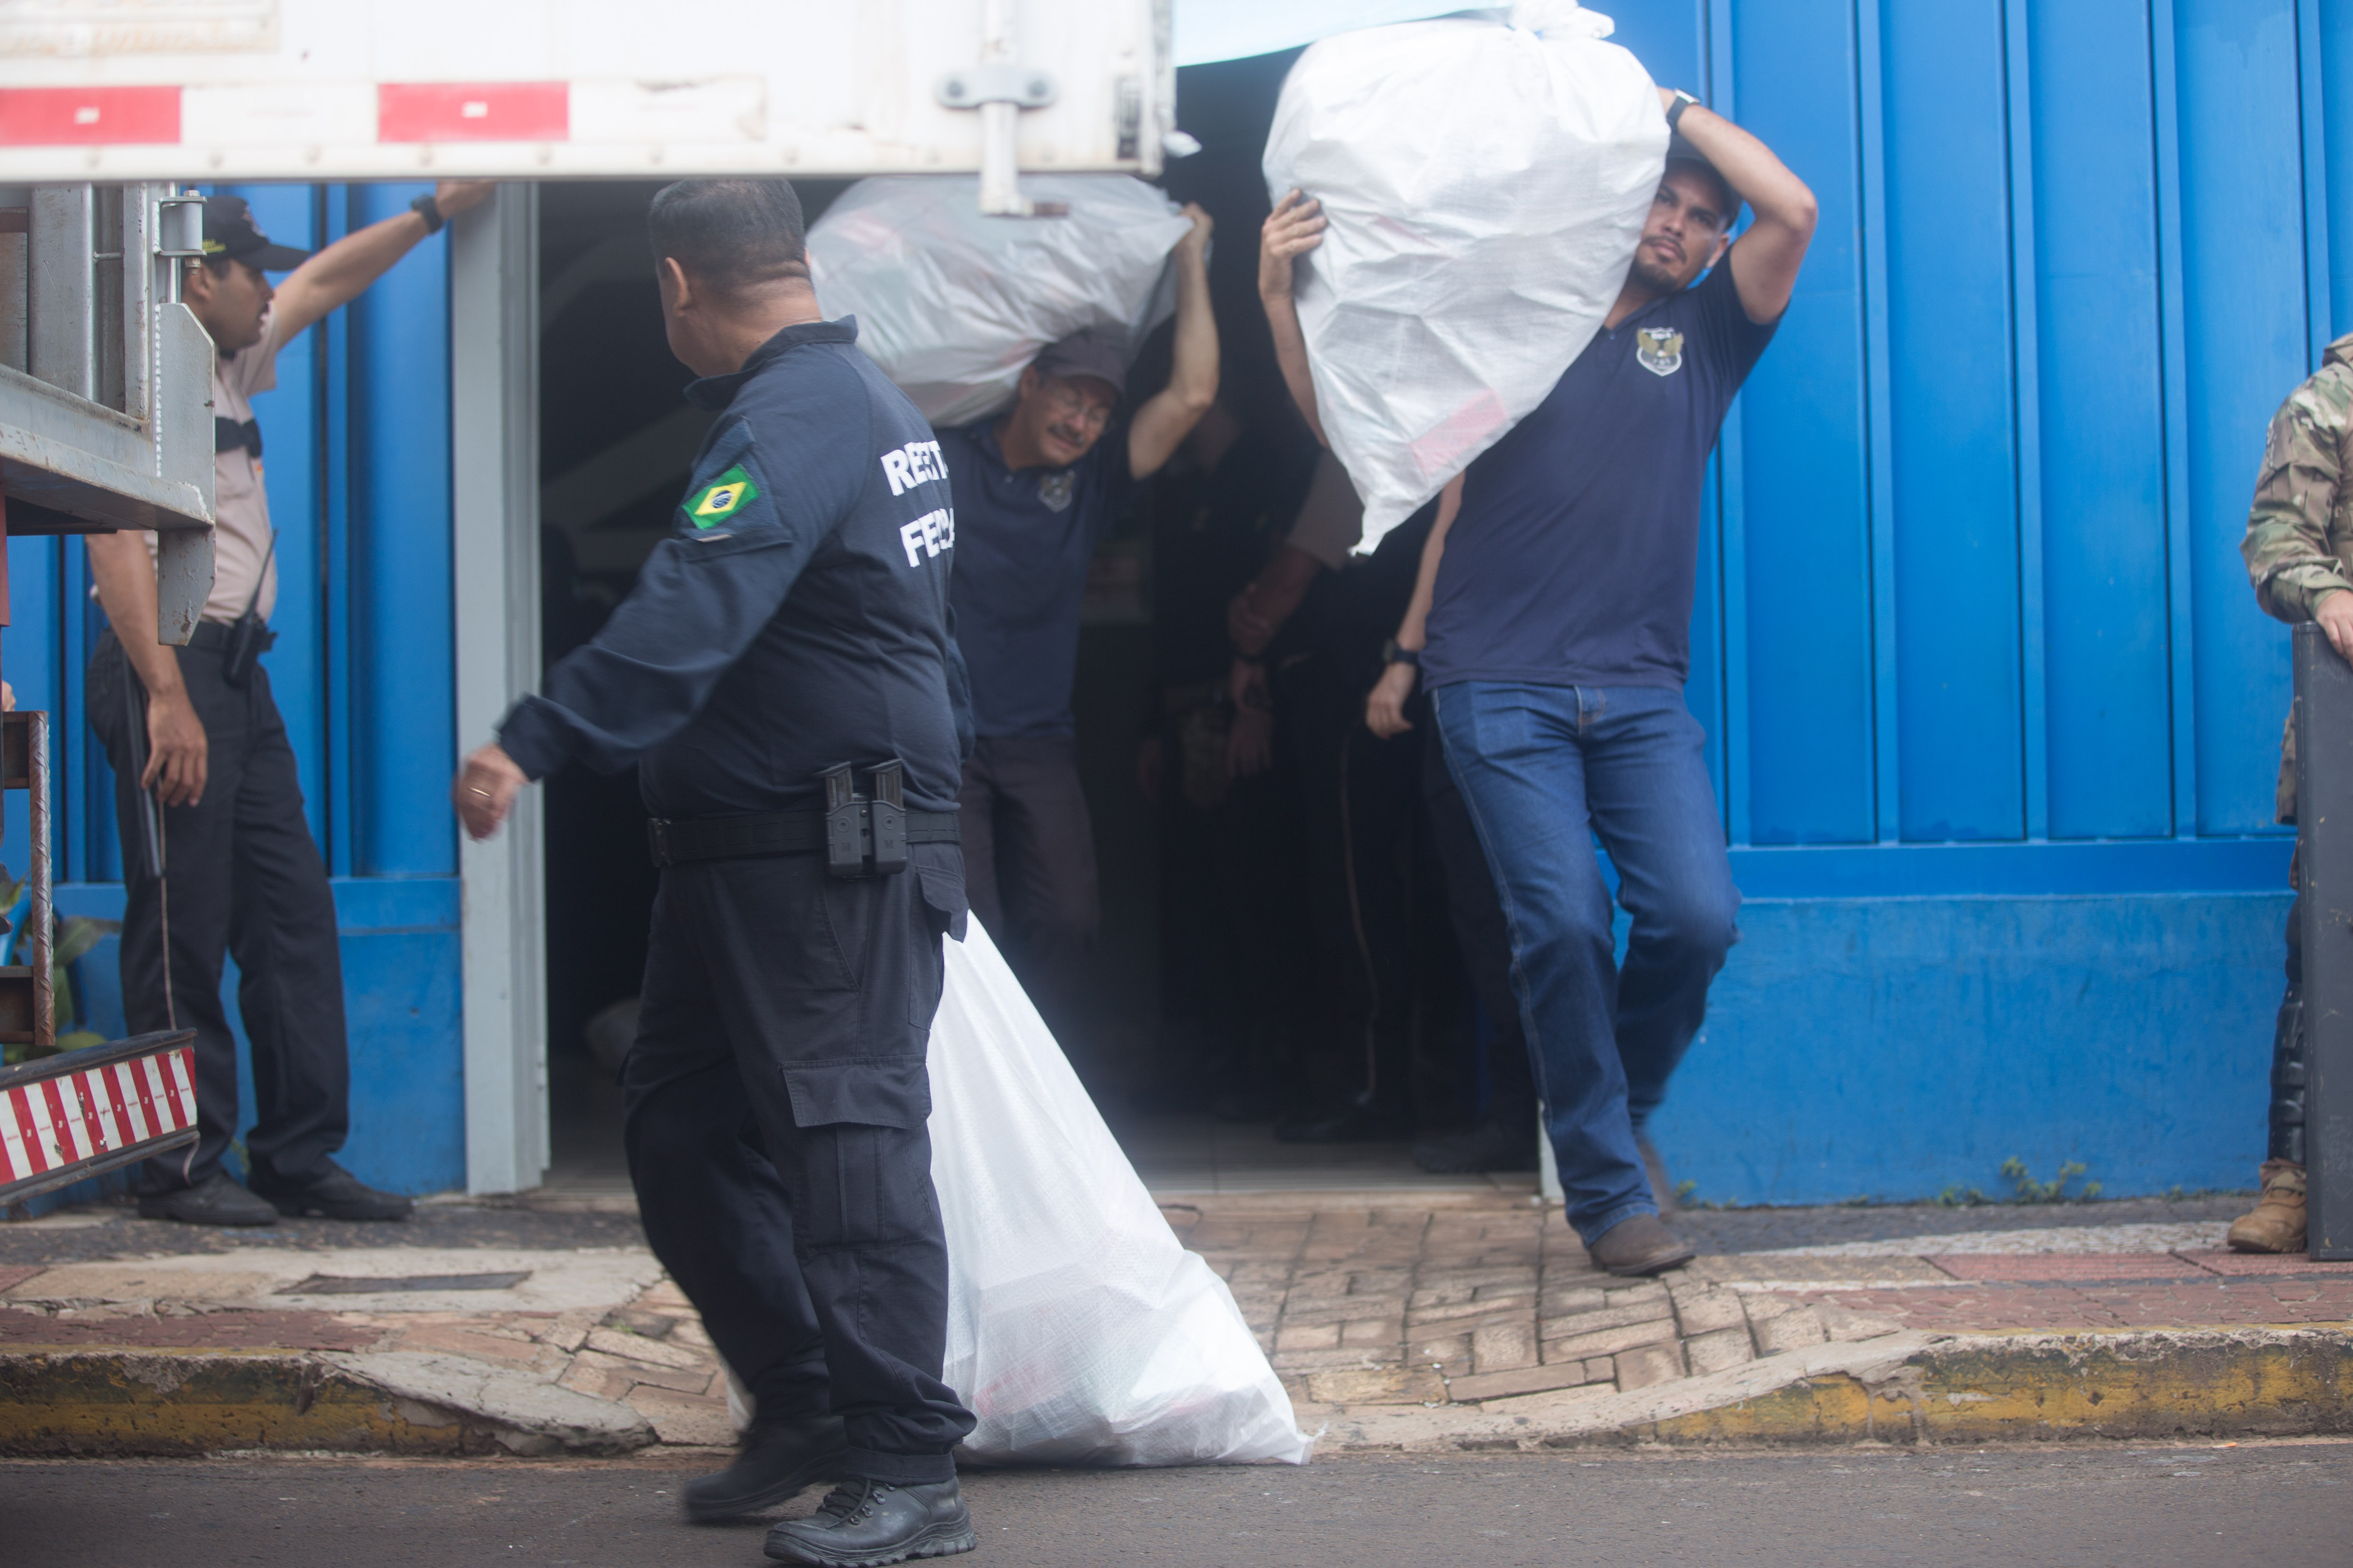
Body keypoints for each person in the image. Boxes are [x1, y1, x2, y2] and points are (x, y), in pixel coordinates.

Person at [454, 179, 979, 1566]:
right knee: (682, 1133)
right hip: (746, 854)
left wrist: (533, 739)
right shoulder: (860, 407)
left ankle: (906, 1468)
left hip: (825, 853)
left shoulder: (803, 415)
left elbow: (697, 599)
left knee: (846, 1147)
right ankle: (807, 1405)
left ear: (679, 283)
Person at [1265, 92, 1817, 1276]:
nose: (1676, 224)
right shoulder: (1514, 348)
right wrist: (1273, 298)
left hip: (1637, 691)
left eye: (1698, 217)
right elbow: (1370, 448)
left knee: (1698, 919)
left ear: (1719, 245)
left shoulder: (1710, 342)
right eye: (1660, 199)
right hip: (1496, 685)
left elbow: (1796, 205)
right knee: (1561, 922)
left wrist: (1666, 109)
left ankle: (1610, 1111)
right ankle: (1609, 1195)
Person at [85, 185, 491, 1227]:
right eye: (249, 270)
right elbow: (111, 535)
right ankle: (174, 1169)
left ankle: (297, 1156)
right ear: (198, 274)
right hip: (170, 668)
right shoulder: (141, 378)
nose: (269, 290)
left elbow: (325, 282)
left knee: (290, 916)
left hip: (238, 676)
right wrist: (165, 696)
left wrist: (432, 214)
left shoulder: (230, 363)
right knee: (183, 920)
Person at [941, 206, 1218, 1047]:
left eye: (1101, 412)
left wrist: (1191, 261)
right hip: (942, 741)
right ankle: (975, 1097)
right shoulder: (943, 459)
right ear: (1028, 384)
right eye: (1072, 400)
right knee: (967, 932)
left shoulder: (1092, 480)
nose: (1085, 424)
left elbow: (1194, 393)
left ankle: (1038, 1071)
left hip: (1037, 743)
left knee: (1070, 920)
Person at [2231, 329, 2353, 1254]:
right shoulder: (2329, 404)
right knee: (2323, 954)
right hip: (2348, 731)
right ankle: (2296, 1181)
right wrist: (2325, 593)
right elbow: (2275, 538)